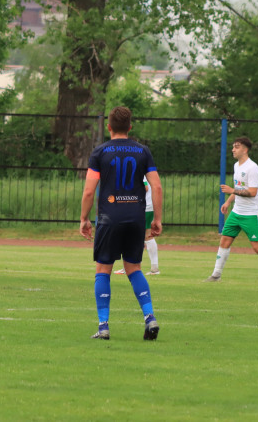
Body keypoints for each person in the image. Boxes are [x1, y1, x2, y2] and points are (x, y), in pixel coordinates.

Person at [79, 106, 163, 341]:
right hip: (135, 219)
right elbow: (156, 186)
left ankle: (103, 326)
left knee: (103, 270)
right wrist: (156, 219)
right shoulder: (143, 151)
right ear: (130, 127)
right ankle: (149, 317)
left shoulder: (100, 152)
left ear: (109, 127)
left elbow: (88, 191)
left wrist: (84, 219)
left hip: (109, 218)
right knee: (133, 268)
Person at [205, 136, 258, 285]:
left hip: (251, 214)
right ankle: (216, 275)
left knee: (257, 247)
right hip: (236, 212)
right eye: (233, 146)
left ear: (245, 150)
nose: (233, 149)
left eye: (236, 147)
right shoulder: (237, 166)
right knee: (224, 241)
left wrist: (231, 190)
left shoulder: (252, 168)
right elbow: (240, 187)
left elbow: (253, 192)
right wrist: (228, 201)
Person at [114, 177, 159, 275]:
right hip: (146, 207)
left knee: (134, 236)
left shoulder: (138, 171)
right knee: (143, 236)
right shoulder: (142, 169)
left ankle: (130, 267)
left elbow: (145, 187)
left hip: (143, 207)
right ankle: (153, 268)